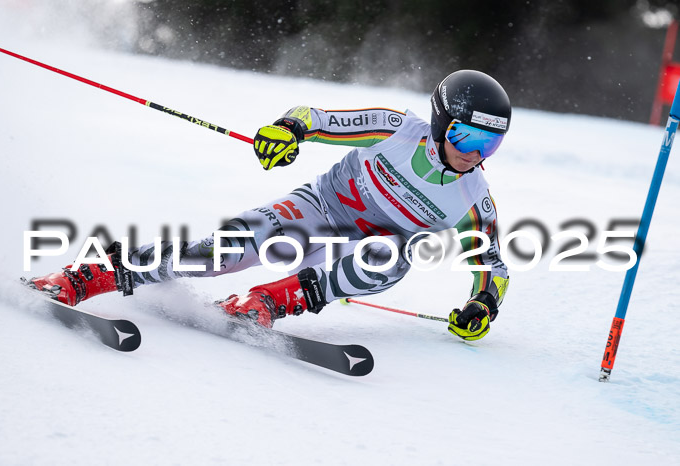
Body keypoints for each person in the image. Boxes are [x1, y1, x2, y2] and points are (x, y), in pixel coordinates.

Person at [27, 69, 511, 341]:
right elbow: (317, 117)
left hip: (365, 247)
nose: (473, 153)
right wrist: (290, 128)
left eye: (489, 146)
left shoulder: (473, 200)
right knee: (221, 253)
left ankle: (266, 302)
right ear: (440, 120)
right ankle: (90, 275)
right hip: (318, 211)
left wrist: (481, 302)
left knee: (393, 259)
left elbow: (492, 266)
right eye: (466, 135)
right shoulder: (396, 127)